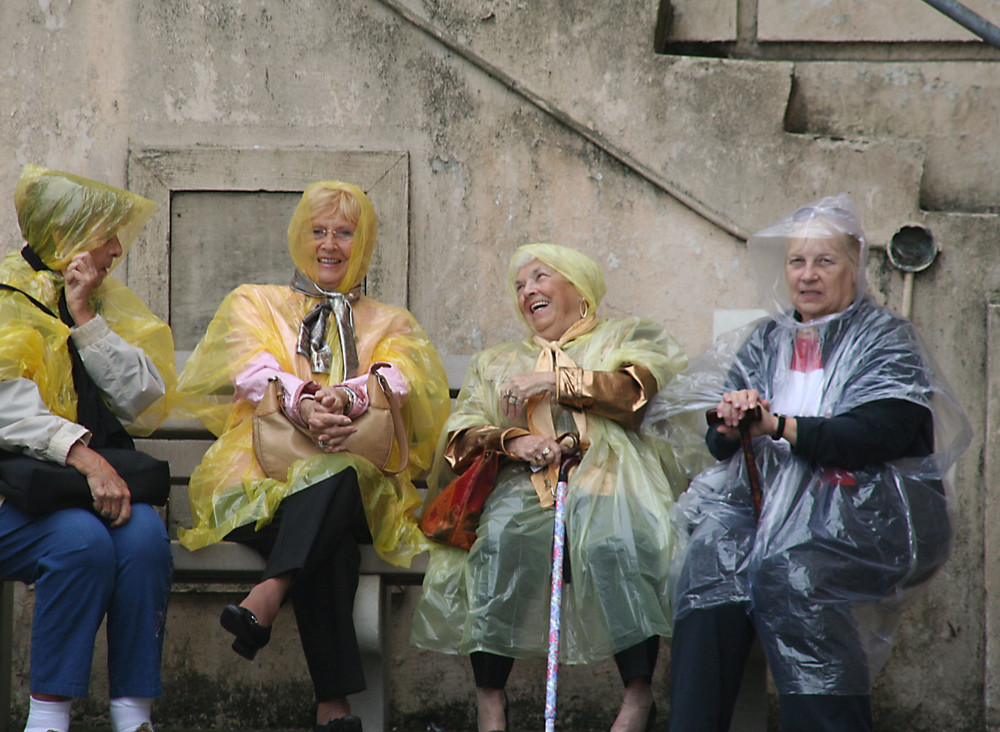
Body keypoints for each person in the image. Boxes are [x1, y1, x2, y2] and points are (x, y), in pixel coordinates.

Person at [642, 194, 972, 732]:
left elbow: (877, 433)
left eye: (825, 261)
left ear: (854, 267)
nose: (808, 275)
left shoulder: (886, 339)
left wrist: (779, 426)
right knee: (709, 560)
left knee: (790, 569)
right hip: (762, 509)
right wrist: (729, 424)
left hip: (864, 514)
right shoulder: (767, 338)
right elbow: (722, 442)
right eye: (797, 261)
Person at [176, 179, 449, 732]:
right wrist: (302, 402)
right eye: (318, 231)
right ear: (300, 238)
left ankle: (269, 593)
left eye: (344, 232)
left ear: (363, 241)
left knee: (340, 469)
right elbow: (251, 371)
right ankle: (334, 709)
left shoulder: (389, 321)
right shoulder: (255, 301)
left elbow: (402, 376)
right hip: (259, 478)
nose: (329, 244)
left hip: (358, 487)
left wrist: (345, 397)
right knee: (334, 550)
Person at [411, 243, 688, 732]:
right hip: (527, 488)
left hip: (613, 478)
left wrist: (555, 382)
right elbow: (459, 439)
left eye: (540, 277)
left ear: (577, 288)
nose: (527, 291)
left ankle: (638, 696)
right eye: (519, 285)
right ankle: (490, 702)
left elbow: (634, 395)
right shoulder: (497, 361)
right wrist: (514, 441)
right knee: (498, 541)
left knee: (615, 538)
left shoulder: (625, 336)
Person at [0, 165, 177, 732]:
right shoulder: (5, 297)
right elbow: (8, 409)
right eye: (105, 235)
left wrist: (83, 319)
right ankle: (48, 718)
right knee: (80, 544)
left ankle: (134, 716)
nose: (116, 250)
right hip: (12, 497)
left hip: (67, 491)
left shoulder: (98, 300)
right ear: (68, 234)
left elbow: (143, 402)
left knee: (146, 537)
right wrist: (85, 456)